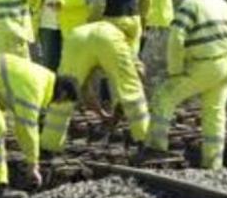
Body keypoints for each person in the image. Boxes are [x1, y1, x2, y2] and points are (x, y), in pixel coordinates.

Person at [143, 0, 227, 170]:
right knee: (215, 113)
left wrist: (175, 70)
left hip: (204, 65)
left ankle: (155, 148)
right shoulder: (224, 4)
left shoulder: (190, 4)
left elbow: (176, 39)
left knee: (163, 96)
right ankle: (213, 163)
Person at [0, 52, 79, 198]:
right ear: (63, 93)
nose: (55, 104)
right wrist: (33, 166)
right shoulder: (37, 87)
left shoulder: (42, 78)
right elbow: (27, 128)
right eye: (61, 102)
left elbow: (21, 127)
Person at [40, 20, 149, 154]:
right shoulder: (125, 42)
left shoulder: (89, 41)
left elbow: (83, 91)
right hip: (107, 37)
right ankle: (145, 141)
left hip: (76, 37)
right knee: (131, 91)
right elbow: (137, 76)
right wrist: (117, 109)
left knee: (63, 94)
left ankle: (49, 145)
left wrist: (102, 114)